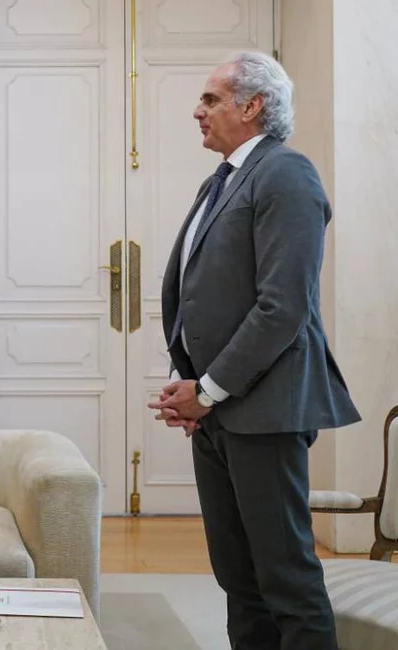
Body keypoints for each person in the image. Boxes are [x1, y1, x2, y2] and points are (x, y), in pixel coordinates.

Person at [149, 51, 360, 650]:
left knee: (285, 577)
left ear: (253, 105)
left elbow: (281, 309)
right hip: (216, 411)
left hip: (263, 410)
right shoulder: (222, 180)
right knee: (238, 578)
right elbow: (200, 294)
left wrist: (207, 390)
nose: (198, 111)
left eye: (211, 99)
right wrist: (184, 381)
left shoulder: (287, 173)